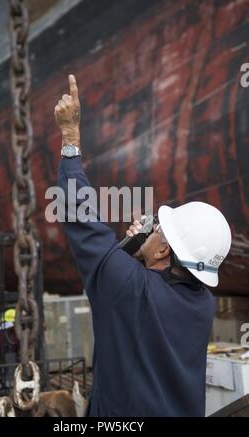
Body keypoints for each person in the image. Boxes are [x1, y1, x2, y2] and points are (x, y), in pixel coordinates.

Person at [54, 75, 232, 417]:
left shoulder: (130, 287)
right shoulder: (202, 304)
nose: (150, 230)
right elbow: (142, 289)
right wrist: (138, 252)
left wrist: (71, 139)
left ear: (164, 250)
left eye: (158, 230)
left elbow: (80, 217)